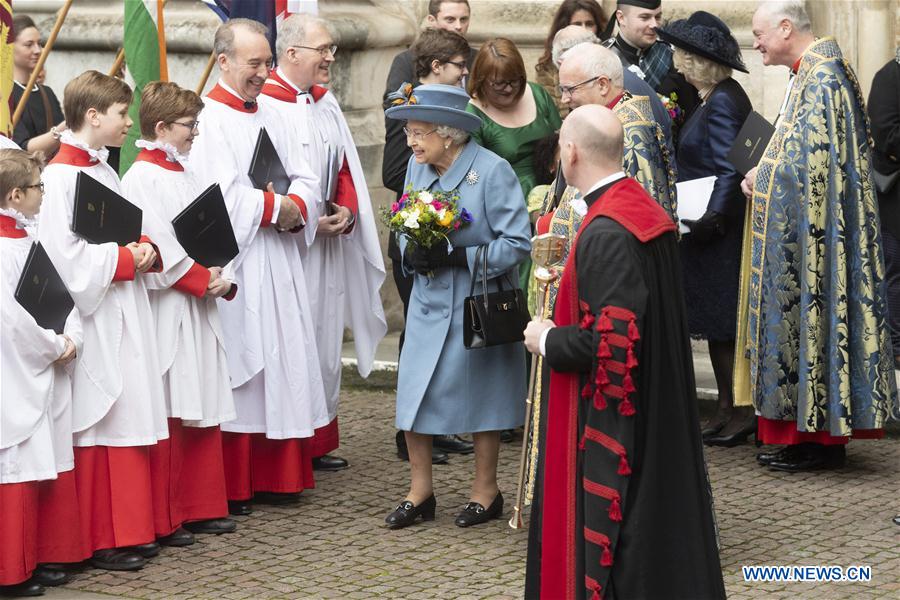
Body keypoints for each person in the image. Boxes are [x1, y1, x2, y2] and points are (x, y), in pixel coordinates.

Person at [523, 104, 725, 600]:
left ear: (570, 152)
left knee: (627, 545)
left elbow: (610, 349)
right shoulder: (638, 208)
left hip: (619, 422)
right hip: (658, 403)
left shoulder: (608, 231)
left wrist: (546, 338)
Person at [737, 1, 897, 472]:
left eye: (760, 33)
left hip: (820, 242)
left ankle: (816, 440)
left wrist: (759, 178)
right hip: (812, 235)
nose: (756, 42)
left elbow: (810, 170)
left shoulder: (823, 79)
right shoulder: (810, 74)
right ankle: (806, 436)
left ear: (787, 28)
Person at [187, 19, 325, 515]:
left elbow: (308, 175)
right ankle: (240, 477)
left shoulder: (272, 110)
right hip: (239, 258)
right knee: (244, 362)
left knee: (283, 353)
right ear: (223, 62)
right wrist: (274, 209)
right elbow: (216, 195)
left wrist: (299, 209)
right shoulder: (206, 121)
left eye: (268, 62)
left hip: (279, 256)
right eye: (254, 63)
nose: (265, 72)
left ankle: (280, 471)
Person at [383, 84, 531, 529]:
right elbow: (407, 219)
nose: (410, 141)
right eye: (409, 131)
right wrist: (411, 250)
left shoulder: (491, 171)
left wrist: (458, 256)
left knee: (482, 398)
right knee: (414, 392)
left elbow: (517, 242)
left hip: (475, 306)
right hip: (429, 301)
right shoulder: (417, 165)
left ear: (448, 134)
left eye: (418, 132)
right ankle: (420, 492)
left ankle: (486, 493)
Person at [39, 70, 166, 571]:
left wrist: (144, 249)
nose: (130, 125)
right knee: (98, 421)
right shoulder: (58, 177)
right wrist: (125, 260)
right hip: (90, 315)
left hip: (121, 305)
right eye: (121, 115)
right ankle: (98, 536)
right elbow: (59, 260)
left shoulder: (103, 169)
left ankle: (128, 527)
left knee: (128, 412)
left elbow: (123, 226)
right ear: (93, 116)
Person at [260, 14, 388, 472]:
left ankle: (320, 438)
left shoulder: (325, 102)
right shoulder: (264, 107)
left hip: (329, 245)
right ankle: (290, 446)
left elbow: (345, 168)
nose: (332, 56)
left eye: (332, 48)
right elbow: (264, 182)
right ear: (292, 53)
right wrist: (309, 222)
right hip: (288, 249)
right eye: (324, 49)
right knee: (291, 342)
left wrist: (347, 211)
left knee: (324, 338)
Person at [120, 81, 239, 542]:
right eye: (190, 126)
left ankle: (203, 503)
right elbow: (158, 244)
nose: (195, 134)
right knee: (175, 400)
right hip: (170, 305)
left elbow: (207, 226)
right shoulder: (142, 178)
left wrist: (218, 267)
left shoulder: (183, 170)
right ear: (163, 127)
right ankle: (170, 511)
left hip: (198, 300)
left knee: (203, 396)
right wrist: (201, 279)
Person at [383, 1, 478, 462]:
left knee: (445, 335)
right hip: (417, 232)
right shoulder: (409, 107)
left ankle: (437, 426)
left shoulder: (455, 111)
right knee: (418, 335)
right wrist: (427, 215)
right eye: (460, 68)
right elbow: (395, 171)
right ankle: (411, 432)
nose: (466, 74)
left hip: (446, 236)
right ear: (436, 67)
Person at [654, 12, 754, 446]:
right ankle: (727, 409)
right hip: (710, 229)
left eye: (681, 54)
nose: (675, 61)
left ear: (698, 62)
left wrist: (713, 219)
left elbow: (732, 168)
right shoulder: (715, 96)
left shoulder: (725, 100)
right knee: (717, 326)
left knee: (723, 324)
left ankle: (740, 411)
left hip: (718, 234)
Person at [0, 149, 81, 597]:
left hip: (35, 362)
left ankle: (32, 556)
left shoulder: (25, 239)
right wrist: (55, 347)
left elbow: (53, 295)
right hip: (13, 368)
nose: (44, 195)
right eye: (38, 188)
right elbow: (10, 319)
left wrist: (70, 336)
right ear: (15, 195)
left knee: (32, 463)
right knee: (12, 463)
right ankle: (10, 570)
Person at [466, 37, 561, 290]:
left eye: (514, 80)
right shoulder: (473, 113)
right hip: (505, 208)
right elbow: (472, 175)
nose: (508, 89)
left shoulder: (538, 95)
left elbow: (560, 142)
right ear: (482, 80)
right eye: (499, 84)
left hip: (550, 197)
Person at [551, 26, 672, 148]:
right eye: (562, 90)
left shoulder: (629, 131)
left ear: (602, 85)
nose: (564, 99)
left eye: (570, 89)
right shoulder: (614, 105)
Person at [601, 0, 699, 128]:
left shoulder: (672, 58)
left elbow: (691, 118)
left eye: (657, 17)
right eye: (645, 17)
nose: (654, 24)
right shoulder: (600, 60)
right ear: (621, 18)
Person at [868, 49, 900, 370]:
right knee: (896, 271)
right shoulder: (889, 77)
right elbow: (886, 136)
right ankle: (897, 346)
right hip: (894, 198)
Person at [534, 0, 607, 116]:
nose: (584, 29)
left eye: (589, 24)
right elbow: (550, 113)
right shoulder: (548, 69)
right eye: (577, 24)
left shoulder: (609, 61)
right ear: (564, 27)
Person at [10, 15, 65, 154]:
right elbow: (21, 148)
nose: (38, 50)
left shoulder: (47, 93)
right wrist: (64, 128)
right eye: (29, 45)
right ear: (9, 47)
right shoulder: (5, 95)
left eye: (39, 43)